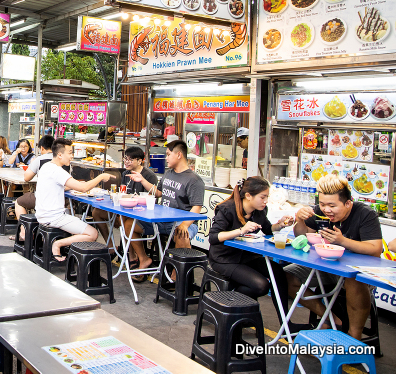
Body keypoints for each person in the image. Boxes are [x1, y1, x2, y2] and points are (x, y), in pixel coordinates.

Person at [285, 174, 382, 339]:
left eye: (332, 205)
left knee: (353, 279)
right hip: (326, 265)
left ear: (348, 203)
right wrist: (299, 220)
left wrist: (342, 241)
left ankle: (354, 337)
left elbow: (375, 249)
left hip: (358, 271)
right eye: (322, 204)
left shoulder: (365, 214)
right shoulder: (319, 212)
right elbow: (303, 234)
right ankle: (329, 318)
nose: (326, 210)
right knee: (287, 275)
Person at [209, 177, 292, 324]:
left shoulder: (259, 211)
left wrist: (281, 224)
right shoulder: (227, 209)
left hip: (247, 257)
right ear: (248, 196)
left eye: (267, 197)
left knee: (278, 272)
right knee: (261, 286)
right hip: (224, 259)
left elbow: (267, 229)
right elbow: (214, 237)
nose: (265, 201)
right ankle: (226, 308)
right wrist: (241, 230)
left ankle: (285, 323)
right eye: (263, 197)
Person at [127, 139, 204, 280]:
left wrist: (184, 224)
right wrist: (142, 180)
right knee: (129, 225)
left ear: (179, 155)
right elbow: (158, 192)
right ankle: (144, 259)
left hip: (184, 222)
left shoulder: (194, 180)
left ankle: (176, 278)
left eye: (168, 154)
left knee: (181, 233)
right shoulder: (168, 173)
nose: (166, 158)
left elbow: (197, 207)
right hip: (161, 220)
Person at [35, 139, 114, 262]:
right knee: (93, 234)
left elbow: (60, 185)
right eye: (70, 153)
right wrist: (101, 177)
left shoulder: (46, 166)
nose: (72, 156)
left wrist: (77, 183)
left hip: (42, 214)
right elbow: (83, 189)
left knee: (75, 219)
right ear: (60, 154)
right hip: (54, 217)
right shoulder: (58, 171)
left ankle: (67, 247)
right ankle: (58, 244)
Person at [91, 146, 158, 257]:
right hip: (124, 209)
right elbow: (123, 192)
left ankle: (131, 257)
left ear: (139, 161)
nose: (126, 162)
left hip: (139, 214)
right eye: (125, 158)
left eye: (130, 160)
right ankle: (111, 246)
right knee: (96, 212)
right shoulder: (125, 173)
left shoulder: (149, 176)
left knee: (124, 221)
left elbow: (150, 198)